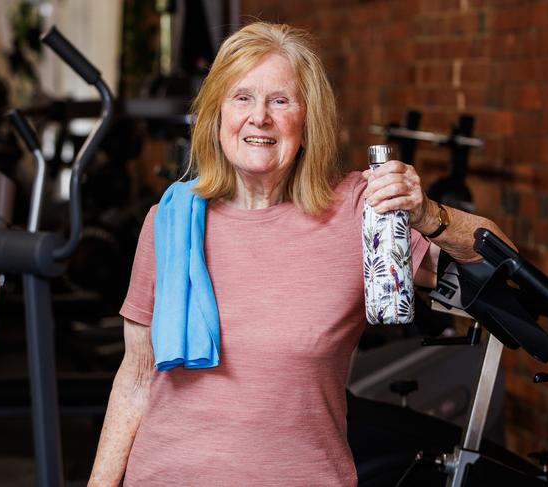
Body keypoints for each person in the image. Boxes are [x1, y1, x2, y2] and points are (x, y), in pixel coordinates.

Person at [88, 22, 513, 486]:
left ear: (309, 121)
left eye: (280, 101)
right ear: (216, 116)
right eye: (242, 97)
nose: (260, 118)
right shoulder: (170, 221)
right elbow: (135, 378)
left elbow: (501, 266)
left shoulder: (358, 211)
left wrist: (429, 213)